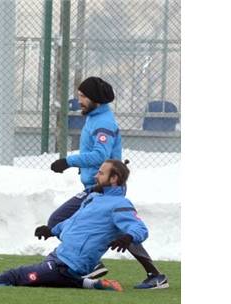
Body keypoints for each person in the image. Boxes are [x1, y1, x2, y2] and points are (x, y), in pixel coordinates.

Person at [0, 160, 155, 292]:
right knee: (46, 279)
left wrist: (128, 237)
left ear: (114, 178)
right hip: (59, 258)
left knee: (16, 276)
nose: (97, 175)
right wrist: (52, 231)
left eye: (101, 172)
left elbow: (140, 228)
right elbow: (74, 224)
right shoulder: (94, 197)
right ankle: (94, 284)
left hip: (69, 265)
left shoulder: (120, 205)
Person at [47, 76, 168, 289]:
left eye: (83, 96)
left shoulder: (104, 123)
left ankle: (150, 274)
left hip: (106, 188)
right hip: (94, 187)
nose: (79, 101)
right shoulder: (94, 118)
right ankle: (147, 274)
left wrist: (68, 161)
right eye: (79, 96)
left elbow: (99, 156)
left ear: (97, 100)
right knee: (116, 228)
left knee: (61, 219)